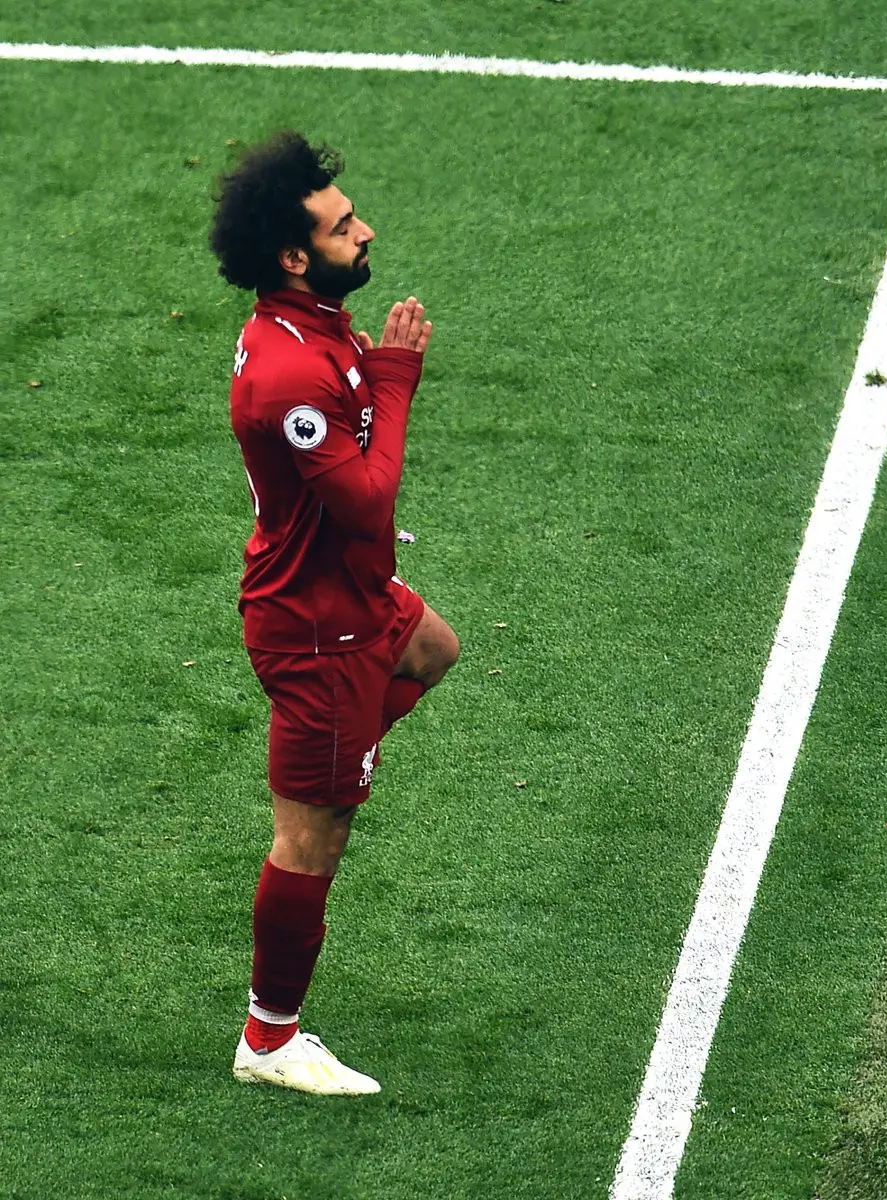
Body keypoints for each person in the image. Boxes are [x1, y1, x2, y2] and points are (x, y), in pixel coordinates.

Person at [209, 130, 459, 1097]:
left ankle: (336, 763)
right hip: (317, 628)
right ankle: (269, 1040)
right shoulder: (292, 375)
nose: (366, 231)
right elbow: (367, 501)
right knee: (314, 839)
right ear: (292, 255)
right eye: (343, 226)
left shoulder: (311, 325)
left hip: (353, 600)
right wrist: (396, 377)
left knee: (432, 649)